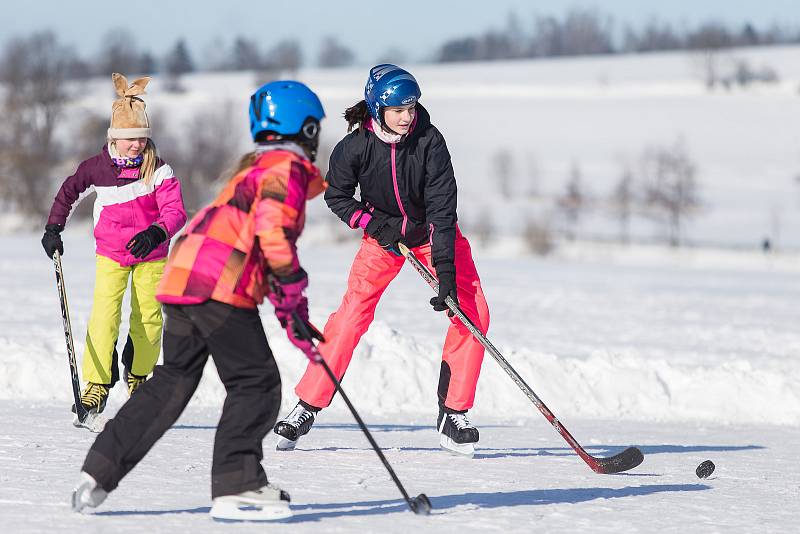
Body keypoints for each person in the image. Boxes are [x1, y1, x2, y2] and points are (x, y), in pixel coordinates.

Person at [71, 80, 327, 522]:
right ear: (305, 129)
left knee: (172, 381)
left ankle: (98, 472)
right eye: (315, 129)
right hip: (219, 285)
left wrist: (290, 307)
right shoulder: (285, 169)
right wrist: (292, 296)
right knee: (256, 384)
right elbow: (272, 232)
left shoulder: (254, 167)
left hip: (183, 278)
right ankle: (239, 485)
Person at [274, 64, 490, 457]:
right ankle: (306, 405)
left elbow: (443, 209)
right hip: (382, 241)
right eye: (398, 109)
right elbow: (336, 196)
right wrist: (374, 223)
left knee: (472, 312)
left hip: (431, 235)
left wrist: (444, 271)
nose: (407, 116)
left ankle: (453, 414)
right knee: (352, 314)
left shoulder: (430, 142)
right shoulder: (354, 147)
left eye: (411, 107)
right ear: (377, 109)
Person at [42, 73, 186, 414]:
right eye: (129, 139)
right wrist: (53, 228)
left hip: (151, 254)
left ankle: (138, 376)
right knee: (104, 315)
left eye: (141, 138)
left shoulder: (159, 170)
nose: (136, 145)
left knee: (148, 316)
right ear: (114, 138)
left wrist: (157, 232)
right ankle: (97, 384)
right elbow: (68, 192)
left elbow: (176, 211)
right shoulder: (97, 168)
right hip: (111, 253)